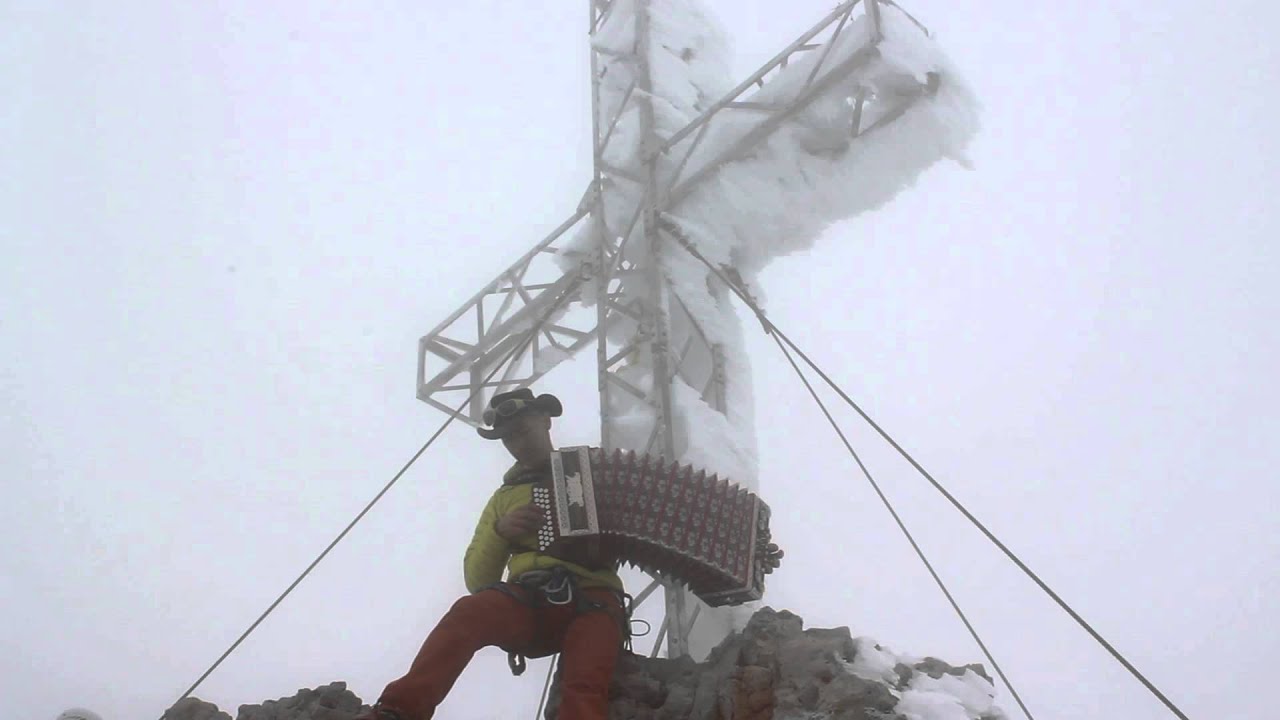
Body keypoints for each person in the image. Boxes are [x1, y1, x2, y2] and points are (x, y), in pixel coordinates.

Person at [357, 389, 626, 720]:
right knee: (469, 613)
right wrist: (500, 533)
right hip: (530, 600)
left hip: (594, 598)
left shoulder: (595, 474)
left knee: (586, 679)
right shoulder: (503, 498)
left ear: (546, 421)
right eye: (509, 439)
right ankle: (398, 711)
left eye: (523, 432)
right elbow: (477, 579)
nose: (518, 445)